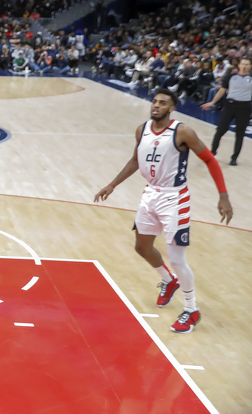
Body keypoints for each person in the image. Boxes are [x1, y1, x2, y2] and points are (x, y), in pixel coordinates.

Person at [94, 88, 232, 334]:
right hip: (150, 194)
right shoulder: (142, 129)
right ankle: (169, 281)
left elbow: (210, 160)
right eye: (154, 102)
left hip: (175, 198)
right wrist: (112, 184)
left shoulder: (183, 131)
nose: (156, 106)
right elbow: (135, 160)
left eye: (162, 103)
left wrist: (223, 196)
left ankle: (191, 310)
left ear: (171, 108)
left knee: (177, 259)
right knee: (141, 247)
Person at [201, 57, 251, 166]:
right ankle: (212, 152)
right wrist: (212, 102)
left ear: (250, 66)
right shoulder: (230, 77)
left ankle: (234, 158)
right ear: (239, 65)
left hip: (244, 108)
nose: (244, 66)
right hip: (230, 106)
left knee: (240, 134)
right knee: (220, 130)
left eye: (247, 64)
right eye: (243, 64)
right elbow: (221, 91)